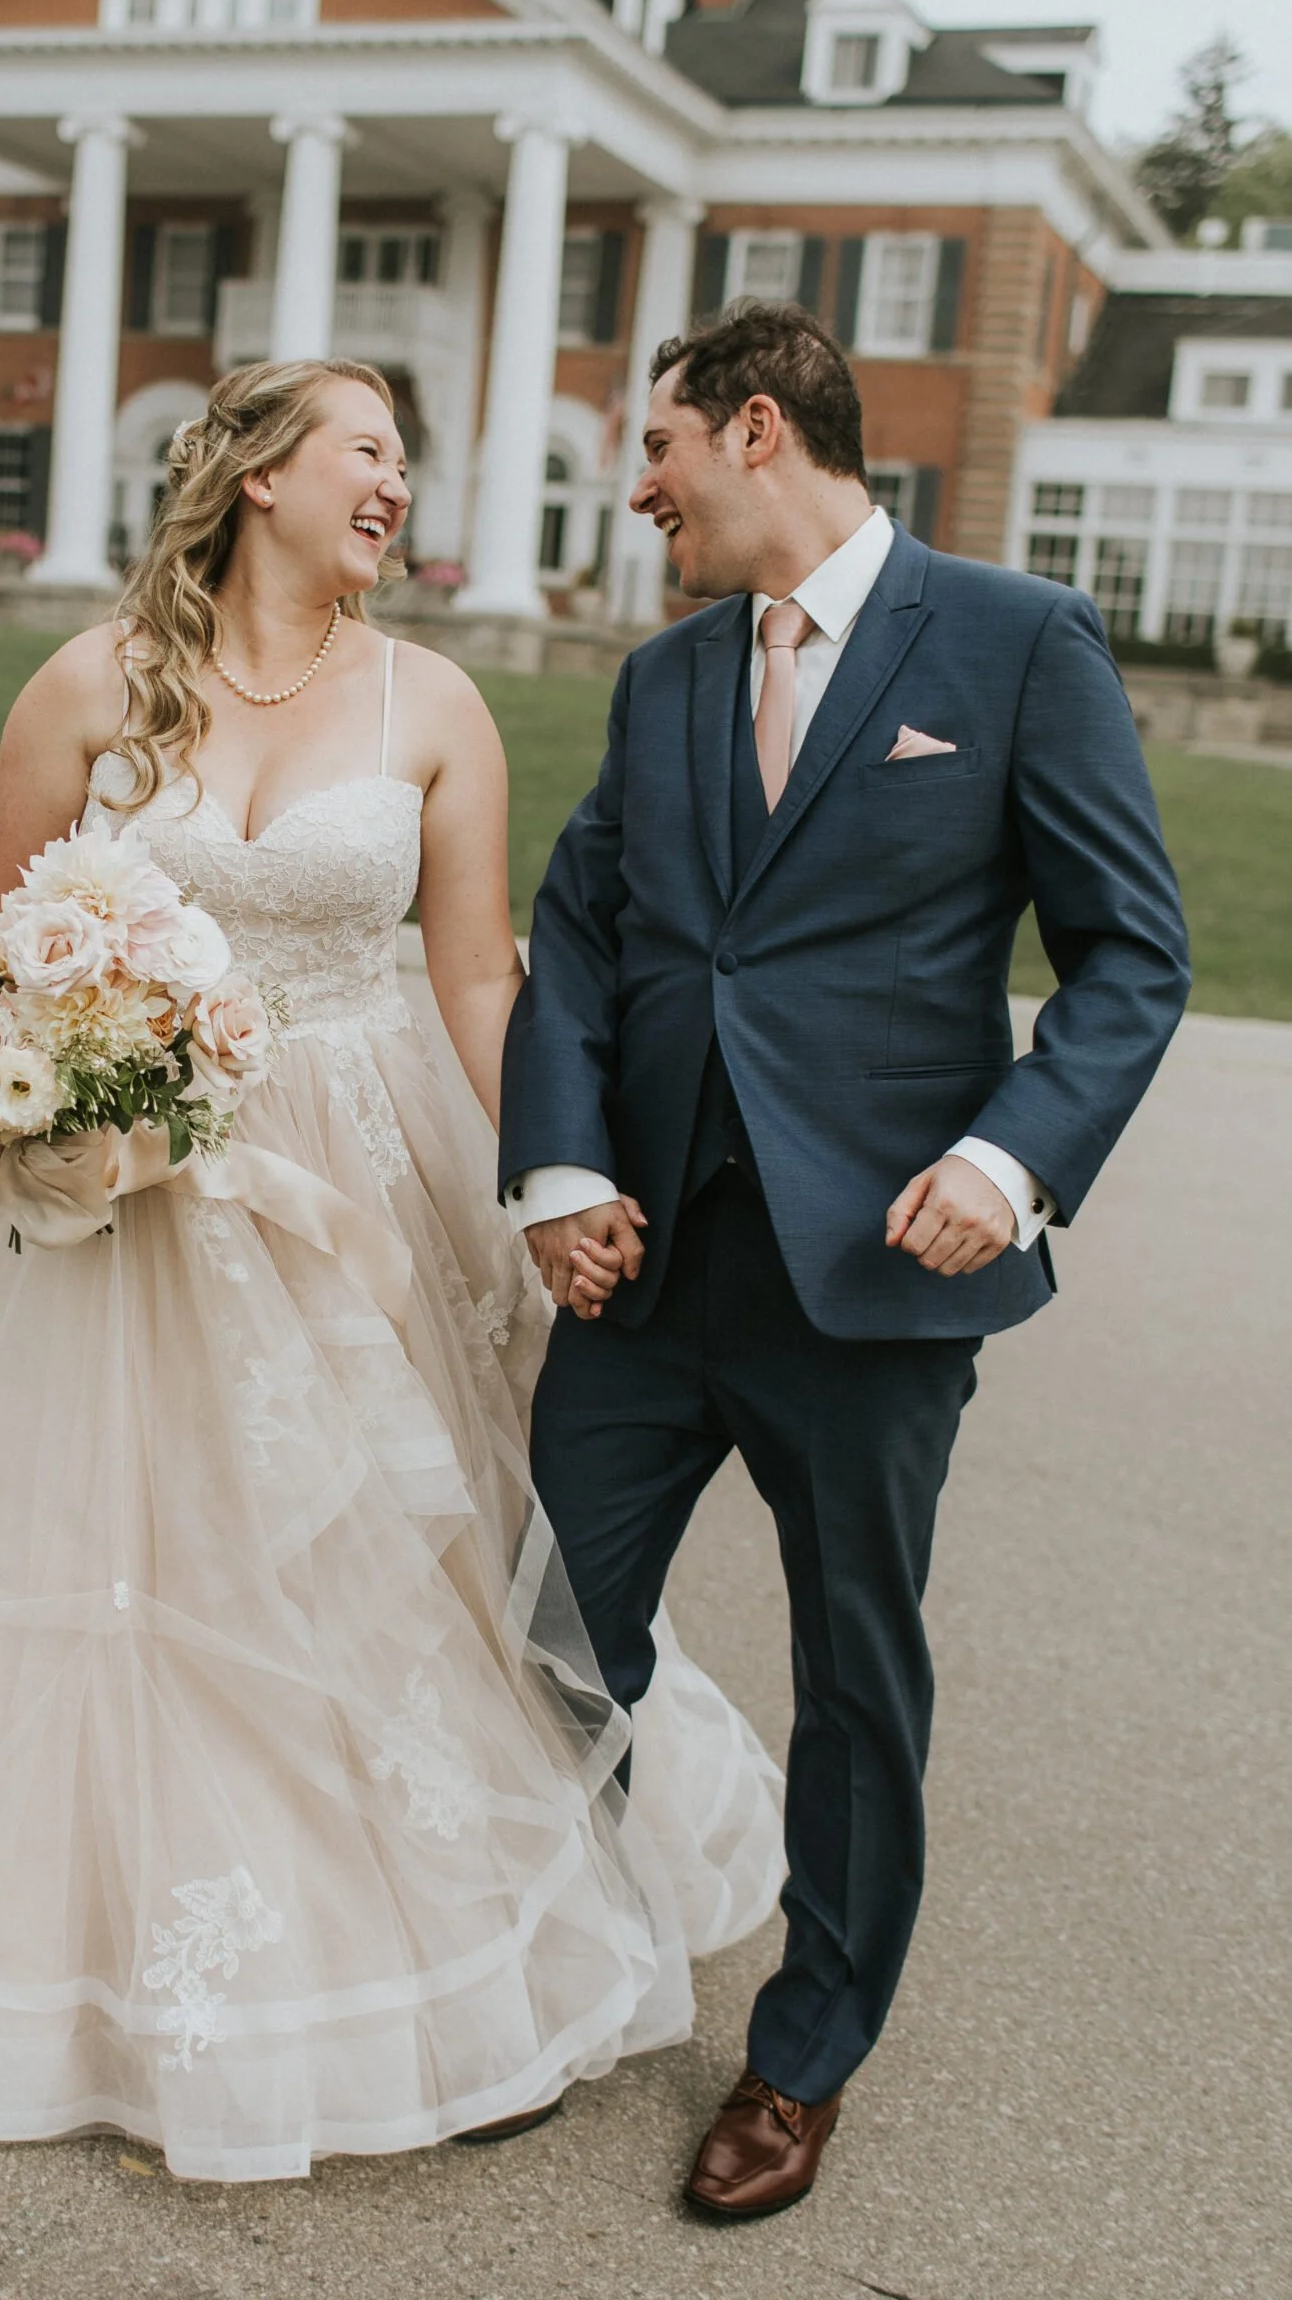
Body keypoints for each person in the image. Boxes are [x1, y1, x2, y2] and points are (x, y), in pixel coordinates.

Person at [0, 357, 784, 2183]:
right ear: (258, 472)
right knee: (112, 1547)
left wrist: (548, 1179)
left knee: (369, 1543)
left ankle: (411, 1914)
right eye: (368, 451)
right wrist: (26, 1088)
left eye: (408, 464)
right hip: (122, 1189)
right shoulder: (93, 684)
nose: (397, 488)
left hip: (358, 1161)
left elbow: (478, 975)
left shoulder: (431, 704)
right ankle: (67, 1940)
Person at [500, 302, 1190, 2220]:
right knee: (548, 1635)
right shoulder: (659, 682)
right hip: (640, 1269)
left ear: (747, 433)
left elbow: (1133, 955)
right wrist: (558, 1168)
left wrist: (1009, 1156)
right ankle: (551, 1975)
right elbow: (581, 940)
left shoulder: (1011, 639)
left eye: (654, 449)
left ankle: (802, 2056)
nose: (634, 488)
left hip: (873, 1281)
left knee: (855, 1676)